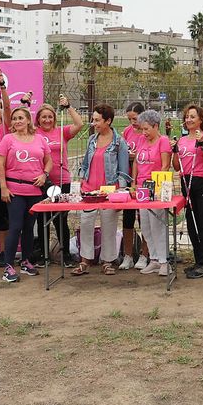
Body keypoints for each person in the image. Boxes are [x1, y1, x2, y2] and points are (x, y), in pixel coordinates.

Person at [0, 106, 53, 282]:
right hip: (15, 191)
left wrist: (44, 174)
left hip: (34, 190)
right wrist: (4, 187)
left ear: (28, 120)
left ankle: (26, 260)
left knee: (29, 227)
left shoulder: (39, 139)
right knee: (15, 227)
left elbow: (49, 161)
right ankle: (8, 266)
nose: (17, 121)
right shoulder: (7, 139)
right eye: (14, 119)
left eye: (21, 118)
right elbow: (0, 165)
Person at [74, 103, 131, 276]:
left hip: (109, 191)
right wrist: (82, 180)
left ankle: (107, 261)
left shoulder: (119, 142)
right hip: (89, 189)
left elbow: (123, 170)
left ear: (108, 121)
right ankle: (85, 260)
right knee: (85, 223)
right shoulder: (92, 140)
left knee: (109, 225)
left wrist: (121, 192)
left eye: (98, 120)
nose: (94, 123)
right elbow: (85, 162)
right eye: (93, 120)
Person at [35, 98, 82, 266]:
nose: (47, 120)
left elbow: (79, 124)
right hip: (41, 181)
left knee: (61, 218)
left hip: (62, 180)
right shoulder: (34, 133)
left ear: (55, 118)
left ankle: (66, 254)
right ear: (38, 119)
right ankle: (43, 254)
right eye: (43, 117)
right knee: (43, 219)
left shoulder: (62, 131)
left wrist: (68, 107)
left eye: (50, 117)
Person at [175, 103, 203, 277]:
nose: (189, 119)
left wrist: (202, 144)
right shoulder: (182, 140)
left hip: (202, 180)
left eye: (193, 116)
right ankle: (198, 260)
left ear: (201, 119)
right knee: (191, 222)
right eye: (187, 116)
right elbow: (176, 165)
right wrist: (173, 151)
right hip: (187, 182)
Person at [130, 109, 174, 275]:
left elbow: (165, 165)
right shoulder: (142, 140)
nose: (144, 132)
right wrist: (133, 182)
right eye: (142, 129)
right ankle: (154, 258)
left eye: (147, 129)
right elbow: (136, 162)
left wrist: (156, 187)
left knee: (158, 224)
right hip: (141, 188)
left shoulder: (163, 141)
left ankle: (164, 261)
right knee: (146, 226)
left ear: (156, 126)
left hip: (155, 189)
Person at [117, 102, 148, 269]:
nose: (132, 123)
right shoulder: (127, 132)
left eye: (135, 118)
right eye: (129, 119)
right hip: (128, 178)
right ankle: (127, 255)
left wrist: (135, 156)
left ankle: (144, 254)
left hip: (144, 178)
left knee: (144, 218)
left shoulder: (147, 132)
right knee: (128, 217)